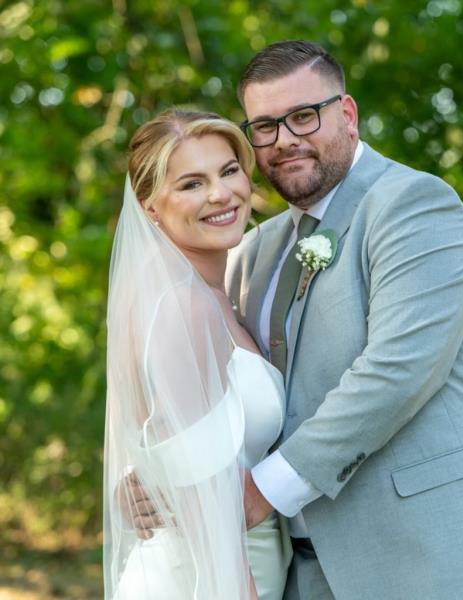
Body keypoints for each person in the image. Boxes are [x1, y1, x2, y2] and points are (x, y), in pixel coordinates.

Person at [224, 40, 463, 599]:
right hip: (297, 568)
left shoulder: (415, 205)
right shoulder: (255, 251)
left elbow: (397, 371)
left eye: (303, 116)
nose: (285, 140)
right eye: (265, 126)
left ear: (346, 114)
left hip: (425, 556)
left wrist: (261, 491)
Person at [103, 109, 292, 600]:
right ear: (150, 207)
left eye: (228, 171)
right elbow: (205, 499)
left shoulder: (209, 294)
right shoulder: (182, 306)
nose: (219, 194)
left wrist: (142, 478)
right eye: (191, 184)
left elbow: (167, 439)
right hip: (207, 579)